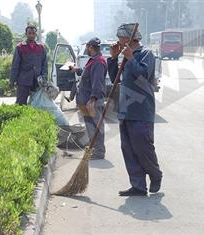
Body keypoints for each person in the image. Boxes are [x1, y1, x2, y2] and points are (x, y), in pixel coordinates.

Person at [108, 23, 163, 196]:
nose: (118, 40)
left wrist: (131, 58)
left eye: (121, 37)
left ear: (130, 38)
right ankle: (138, 185)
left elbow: (143, 76)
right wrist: (113, 58)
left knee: (143, 146)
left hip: (141, 109)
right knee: (128, 148)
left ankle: (155, 174)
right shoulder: (125, 55)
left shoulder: (145, 54)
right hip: (125, 109)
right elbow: (114, 78)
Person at [70, 37, 107, 160]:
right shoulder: (93, 61)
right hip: (87, 101)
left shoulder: (98, 62)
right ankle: (94, 149)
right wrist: (76, 70)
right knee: (91, 127)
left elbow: (97, 82)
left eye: (87, 47)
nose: (86, 49)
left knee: (96, 127)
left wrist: (92, 99)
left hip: (92, 102)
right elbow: (87, 74)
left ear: (91, 47)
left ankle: (99, 152)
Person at [10, 25, 48, 105]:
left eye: (33, 33)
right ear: (26, 34)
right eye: (29, 33)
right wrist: (12, 80)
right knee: (21, 103)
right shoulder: (20, 47)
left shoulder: (41, 48)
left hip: (38, 81)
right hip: (23, 81)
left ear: (36, 34)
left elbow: (44, 64)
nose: (31, 35)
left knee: (38, 104)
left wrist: (44, 77)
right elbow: (15, 66)